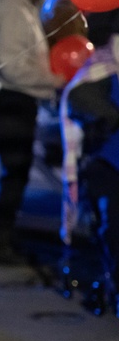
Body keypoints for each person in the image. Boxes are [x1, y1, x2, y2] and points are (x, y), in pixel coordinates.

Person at [0, 0, 65, 264]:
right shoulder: (13, 9)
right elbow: (14, 65)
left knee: (16, 173)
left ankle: (5, 237)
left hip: (15, 101)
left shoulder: (17, 4)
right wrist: (52, 80)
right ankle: (0, 241)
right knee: (15, 173)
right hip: (12, 102)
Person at [61, 35, 119, 317]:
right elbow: (78, 96)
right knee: (113, 229)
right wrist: (109, 115)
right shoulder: (106, 68)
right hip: (110, 163)